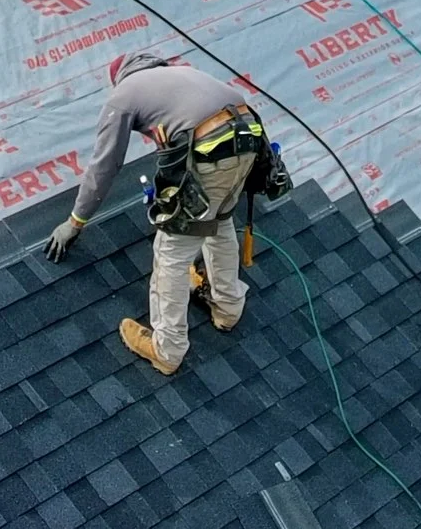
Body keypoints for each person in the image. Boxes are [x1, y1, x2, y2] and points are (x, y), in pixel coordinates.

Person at [45, 53, 277, 375]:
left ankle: (167, 349)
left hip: (211, 150)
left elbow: (105, 165)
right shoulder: (182, 75)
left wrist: (76, 221)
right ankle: (227, 306)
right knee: (220, 220)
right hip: (249, 141)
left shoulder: (124, 95)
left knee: (171, 251)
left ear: (121, 78)